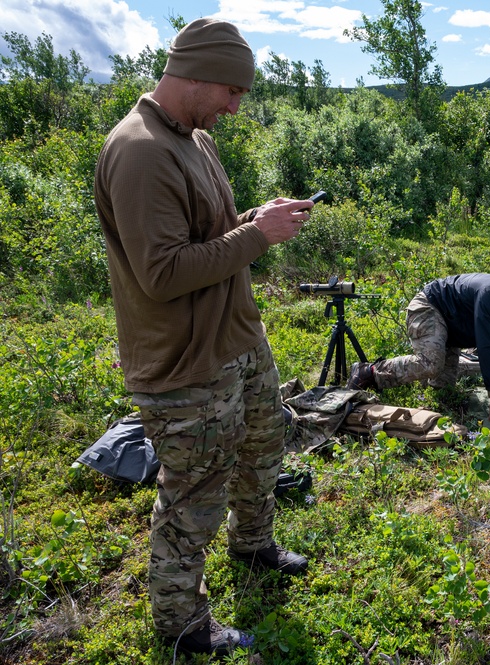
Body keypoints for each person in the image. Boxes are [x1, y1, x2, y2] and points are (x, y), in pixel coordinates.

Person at [94, 18, 313, 656]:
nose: (235, 106)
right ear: (195, 75)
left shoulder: (192, 138)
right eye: (230, 92)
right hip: (185, 360)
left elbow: (207, 233)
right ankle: (182, 624)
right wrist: (255, 237)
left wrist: (255, 220)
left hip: (236, 338)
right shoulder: (140, 151)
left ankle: (253, 547)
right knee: (193, 496)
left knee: (262, 449)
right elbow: (161, 274)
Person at [348, 259, 490, 423]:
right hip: (431, 306)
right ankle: (370, 372)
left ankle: (419, 383)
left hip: (454, 329)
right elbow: (488, 346)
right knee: (431, 364)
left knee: (443, 391)